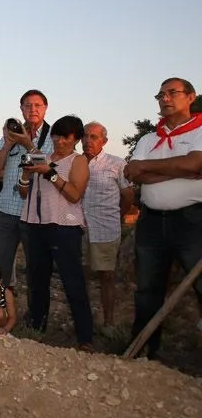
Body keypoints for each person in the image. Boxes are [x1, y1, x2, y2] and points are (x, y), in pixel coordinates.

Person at [124, 77, 202, 360]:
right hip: (152, 222)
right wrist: (184, 169)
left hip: (192, 221)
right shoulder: (148, 139)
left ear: (191, 97)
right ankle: (143, 349)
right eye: (160, 95)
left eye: (172, 93)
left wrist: (149, 168)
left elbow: (196, 163)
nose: (165, 99)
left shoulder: (200, 130)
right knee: (147, 288)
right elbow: (133, 174)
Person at [19, 115, 94, 352]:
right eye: (56, 135)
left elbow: (74, 195)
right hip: (34, 224)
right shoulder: (43, 157)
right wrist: (26, 176)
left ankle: (85, 338)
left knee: (72, 282)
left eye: (66, 137)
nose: (60, 141)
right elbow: (23, 193)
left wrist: (49, 173)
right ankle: (36, 328)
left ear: (76, 139)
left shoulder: (78, 160)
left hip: (64, 226)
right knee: (36, 280)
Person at [0, 90, 54, 291]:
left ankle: (35, 317)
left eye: (37, 105)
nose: (32, 109)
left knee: (36, 267)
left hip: (34, 213)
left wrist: (27, 143)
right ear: (21, 109)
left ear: (45, 108)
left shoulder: (53, 136)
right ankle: (0, 309)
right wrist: (7, 145)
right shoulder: (11, 134)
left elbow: (50, 170)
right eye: (27, 105)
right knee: (0, 265)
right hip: (5, 209)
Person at [81, 121, 134, 333]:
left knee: (107, 276)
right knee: (80, 274)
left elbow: (128, 196)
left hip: (106, 228)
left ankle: (109, 323)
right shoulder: (74, 163)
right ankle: (83, 320)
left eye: (93, 137)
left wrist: (117, 216)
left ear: (104, 141)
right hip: (78, 228)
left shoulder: (116, 164)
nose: (87, 141)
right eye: (85, 136)